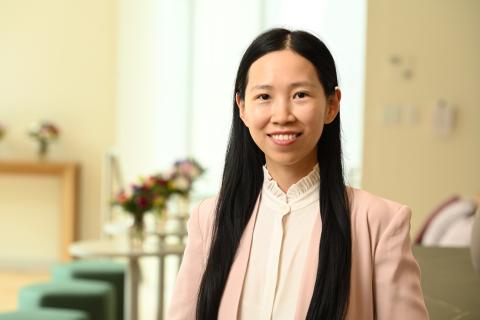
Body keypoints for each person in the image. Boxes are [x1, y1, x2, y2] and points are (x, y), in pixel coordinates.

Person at [167, 28, 429, 320]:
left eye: (300, 95)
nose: (282, 115)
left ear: (331, 105)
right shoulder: (209, 219)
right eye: (264, 96)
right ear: (242, 107)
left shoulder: (378, 222)